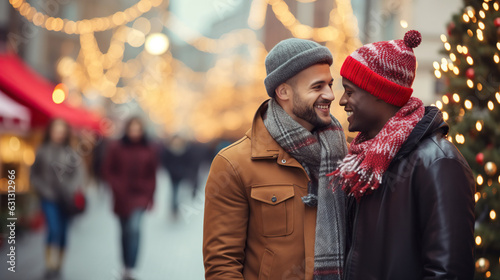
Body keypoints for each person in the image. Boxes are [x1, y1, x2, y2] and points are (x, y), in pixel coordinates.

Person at [330, 30, 475, 279]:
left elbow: (448, 272)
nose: (342, 101)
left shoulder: (438, 162)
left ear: (379, 92)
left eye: (350, 91)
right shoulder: (365, 160)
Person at [203, 38, 348, 280]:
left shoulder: (344, 156)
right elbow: (222, 265)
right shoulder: (233, 163)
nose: (331, 95)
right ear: (283, 92)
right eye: (317, 87)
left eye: (330, 85)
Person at [102, 117, 158, 280]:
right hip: (121, 196)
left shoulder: (149, 149)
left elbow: (153, 174)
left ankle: (132, 267)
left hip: (140, 196)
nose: (134, 132)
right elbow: (107, 170)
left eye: (137, 129)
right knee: (124, 231)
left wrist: (150, 196)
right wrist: (116, 186)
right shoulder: (116, 147)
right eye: (132, 129)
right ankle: (125, 266)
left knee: (134, 229)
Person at [30, 119, 85, 280]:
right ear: (50, 132)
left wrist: (72, 188)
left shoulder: (70, 152)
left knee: (63, 232)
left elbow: (79, 174)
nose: (59, 134)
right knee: (53, 229)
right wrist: (42, 189)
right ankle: (49, 265)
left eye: (62, 131)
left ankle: (59, 265)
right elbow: (34, 174)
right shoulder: (42, 151)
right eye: (56, 130)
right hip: (48, 197)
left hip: (66, 199)